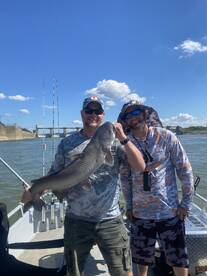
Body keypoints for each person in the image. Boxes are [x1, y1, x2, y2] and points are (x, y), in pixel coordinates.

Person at [22, 96, 145, 276]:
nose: (93, 115)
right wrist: (34, 191)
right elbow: (54, 174)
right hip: (76, 220)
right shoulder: (67, 143)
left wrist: (124, 138)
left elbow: (140, 167)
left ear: (102, 115)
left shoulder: (117, 144)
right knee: (74, 272)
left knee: (123, 272)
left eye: (97, 111)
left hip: (109, 219)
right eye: (89, 111)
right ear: (82, 114)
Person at [118, 100, 194, 276]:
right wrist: (129, 206)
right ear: (125, 121)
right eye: (128, 115)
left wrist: (186, 203)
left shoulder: (167, 137)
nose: (133, 117)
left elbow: (185, 169)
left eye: (136, 112)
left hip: (170, 211)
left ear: (146, 114)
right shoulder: (125, 146)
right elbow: (125, 179)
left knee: (178, 258)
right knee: (141, 258)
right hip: (140, 213)